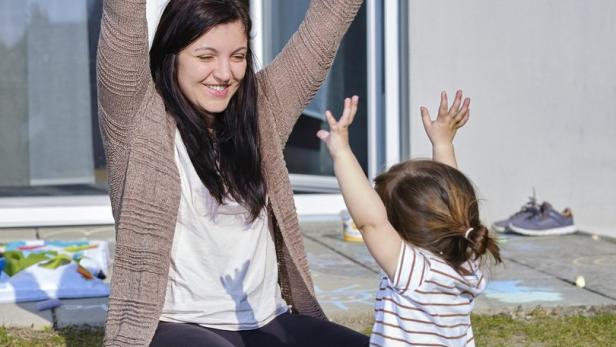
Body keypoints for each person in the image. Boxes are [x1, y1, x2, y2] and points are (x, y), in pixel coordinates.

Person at [96, 0, 368, 346]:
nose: (224, 73)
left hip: (268, 319)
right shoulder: (136, 119)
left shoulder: (262, 111)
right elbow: (122, 20)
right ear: (172, 54)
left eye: (237, 57)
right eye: (206, 57)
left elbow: (327, 22)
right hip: (175, 326)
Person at [317, 91, 502, 346]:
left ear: (398, 224)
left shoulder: (415, 271)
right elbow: (451, 196)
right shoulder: (467, 262)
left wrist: (341, 153)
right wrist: (443, 144)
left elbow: (371, 222)